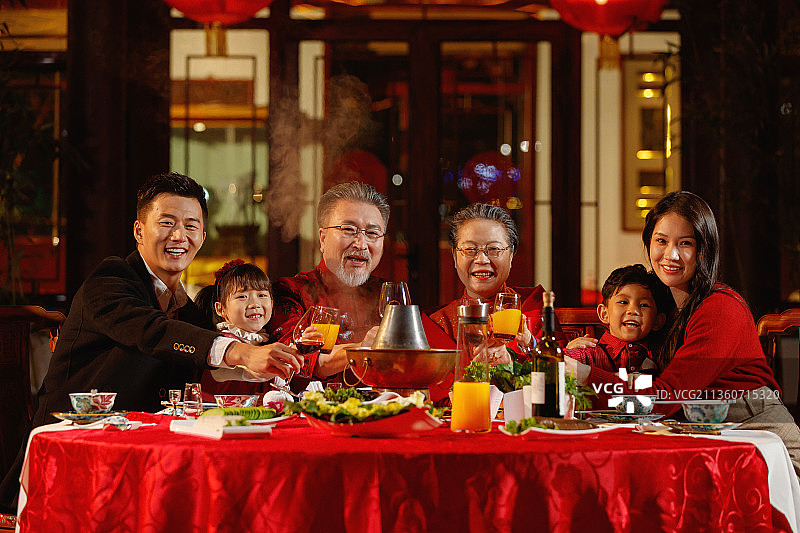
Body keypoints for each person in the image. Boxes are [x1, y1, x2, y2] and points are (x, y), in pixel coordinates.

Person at [0, 172, 304, 513]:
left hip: (146, 466)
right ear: (139, 230)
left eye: (191, 226)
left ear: (202, 237)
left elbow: (204, 365)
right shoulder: (110, 280)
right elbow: (151, 331)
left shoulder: (189, 313)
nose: (179, 236)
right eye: (167, 222)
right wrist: (240, 352)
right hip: (72, 462)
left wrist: (264, 366)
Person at [568, 191, 800, 475]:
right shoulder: (660, 306)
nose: (671, 255)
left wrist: (581, 374)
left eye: (685, 243)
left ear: (704, 249)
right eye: (661, 241)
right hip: (706, 437)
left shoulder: (720, 308)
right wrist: (584, 353)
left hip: (765, 441)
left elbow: (663, 399)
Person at [423, 203, 564, 403]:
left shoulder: (535, 307)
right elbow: (430, 398)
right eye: (470, 249)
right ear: (454, 256)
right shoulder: (437, 323)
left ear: (512, 254)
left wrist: (514, 362)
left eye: (494, 249)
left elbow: (563, 381)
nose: (481, 259)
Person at [267, 181, 389, 383]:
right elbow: (294, 360)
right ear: (322, 238)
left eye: (372, 233)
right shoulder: (290, 291)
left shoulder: (387, 295)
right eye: (349, 230)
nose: (361, 244)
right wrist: (363, 348)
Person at [564, 264, 668, 376]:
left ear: (657, 321)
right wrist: (565, 353)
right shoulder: (588, 355)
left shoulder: (664, 359)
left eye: (644, 305)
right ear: (604, 313)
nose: (633, 311)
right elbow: (549, 365)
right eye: (623, 302)